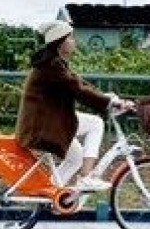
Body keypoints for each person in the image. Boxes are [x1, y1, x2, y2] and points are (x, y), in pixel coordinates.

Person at [15, 21, 131, 191]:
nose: (74, 41)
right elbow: (79, 89)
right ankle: (86, 177)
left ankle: (49, 193)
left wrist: (107, 98)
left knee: (76, 157)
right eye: (70, 37)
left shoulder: (53, 63)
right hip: (43, 126)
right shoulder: (52, 66)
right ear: (60, 42)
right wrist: (109, 103)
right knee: (96, 123)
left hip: (45, 122)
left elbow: (79, 83)